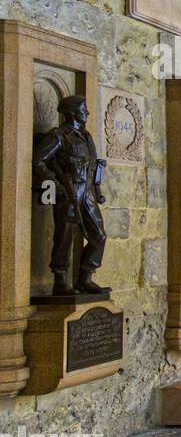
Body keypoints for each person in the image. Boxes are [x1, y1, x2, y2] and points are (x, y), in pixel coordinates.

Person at [33, 95, 108, 296]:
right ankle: (60, 281)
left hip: (88, 194)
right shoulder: (59, 136)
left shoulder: (86, 136)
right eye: (84, 109)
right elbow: (39, 161)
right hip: (69, 192)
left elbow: (92, 166)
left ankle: (85, 277)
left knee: (99, 235)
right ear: (73, 112)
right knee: (64, 237)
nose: (88, 113)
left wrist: (97, 191)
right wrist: (55, 185)